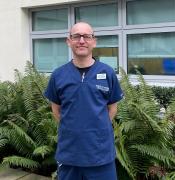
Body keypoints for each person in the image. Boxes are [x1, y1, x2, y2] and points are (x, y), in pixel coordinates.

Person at [44, 22, 124, 180]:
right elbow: (56, 111)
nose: (81, 40)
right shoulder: (58, 75)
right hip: (69, 155)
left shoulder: (107, 73)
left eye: (86, 36)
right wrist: (75, 128)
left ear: (94, 41)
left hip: (100, 155)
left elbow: (112, 109)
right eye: (76, 36)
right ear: (69, 41)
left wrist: (96, 128)